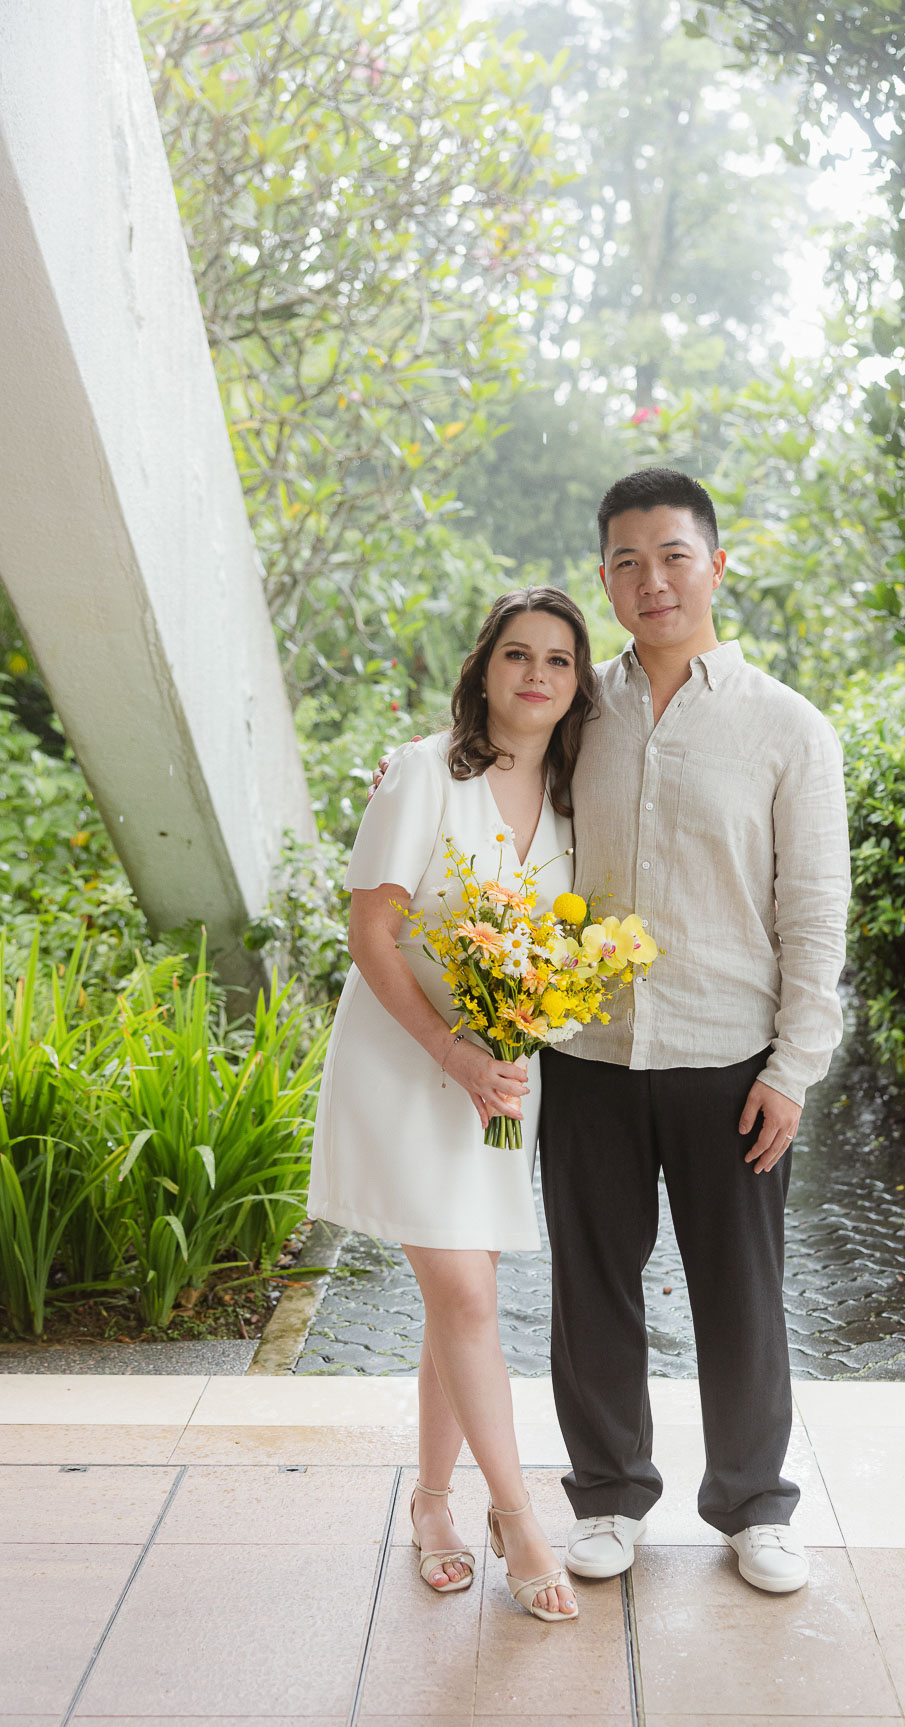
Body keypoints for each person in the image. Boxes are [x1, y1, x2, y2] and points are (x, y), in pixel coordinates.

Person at [373, 467, 851, 1598]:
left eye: (674, 556)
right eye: (628, 562)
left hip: (730, 1057)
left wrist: (794, 1067)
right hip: (586, 1054)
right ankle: (608, 1495)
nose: (653, 580)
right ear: (605, 577)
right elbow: (482, 765)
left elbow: (815, 912)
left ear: (715, 565)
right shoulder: (579, 708)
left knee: (742, 1293)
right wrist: (406, 774)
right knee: (591, 1288)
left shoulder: (789, 727)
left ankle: (755, 1505)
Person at [310, 586, 599, 1622]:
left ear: (579, 682)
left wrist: (516, 1037)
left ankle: (432, 1502)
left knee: (459, 1295)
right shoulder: (425, 771)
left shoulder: (572, 798)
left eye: (559, 659)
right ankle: (517, 1515)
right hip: (406, 1066)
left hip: (498, 1080)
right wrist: (449, 1049)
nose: (537, 673)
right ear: (484, 668)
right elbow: (371, 933)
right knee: (469, 1298)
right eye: (517, 653)